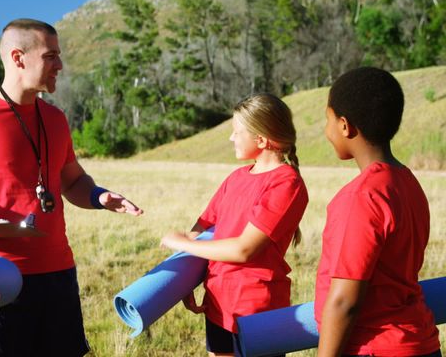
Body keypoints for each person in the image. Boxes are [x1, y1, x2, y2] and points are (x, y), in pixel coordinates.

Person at [0, 18, 143, 356]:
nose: (60, 66)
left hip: (58, 272)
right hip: (0, 276)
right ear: (19, 57)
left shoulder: (56, 119)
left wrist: (99, 196)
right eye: (51, 56)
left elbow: (72, 180)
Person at [160, 93, 309, 356]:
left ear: (261, 139)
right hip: (218, 304)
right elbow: (202, 231)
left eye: (236, 132)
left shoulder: (286, 184)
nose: (231, 138)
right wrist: (184, 280)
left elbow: (244, 249)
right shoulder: (236, 178)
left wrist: (182, 242)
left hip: (257, 313)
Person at [315, 67, 441, 356]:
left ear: (345, 125)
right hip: (420, 343)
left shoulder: (362, 197)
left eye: (327, 120)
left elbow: (345, 301)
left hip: (376, 348)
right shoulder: (407, 182)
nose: (327, 129)